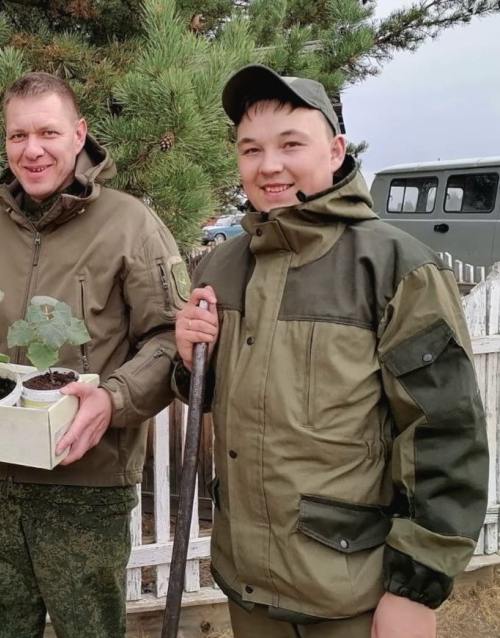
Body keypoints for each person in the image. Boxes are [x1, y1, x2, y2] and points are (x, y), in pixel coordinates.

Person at [174, 64, 489, 638]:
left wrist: (415, 591)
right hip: (247, 587)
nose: (269, 165)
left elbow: (444, 434)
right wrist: (188, 356)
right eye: (251, 149)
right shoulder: (222, 265)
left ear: (336, 148)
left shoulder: (395, 267)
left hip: (352, 591)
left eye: (291, 144)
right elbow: (217, 395)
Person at [0, 72, 187, 637]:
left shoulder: (131, 225)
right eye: (18, 136)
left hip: (86, 480)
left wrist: (112, 399)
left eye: (47, 132)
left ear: (79, 134)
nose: (32, 150)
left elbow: (170, 339)